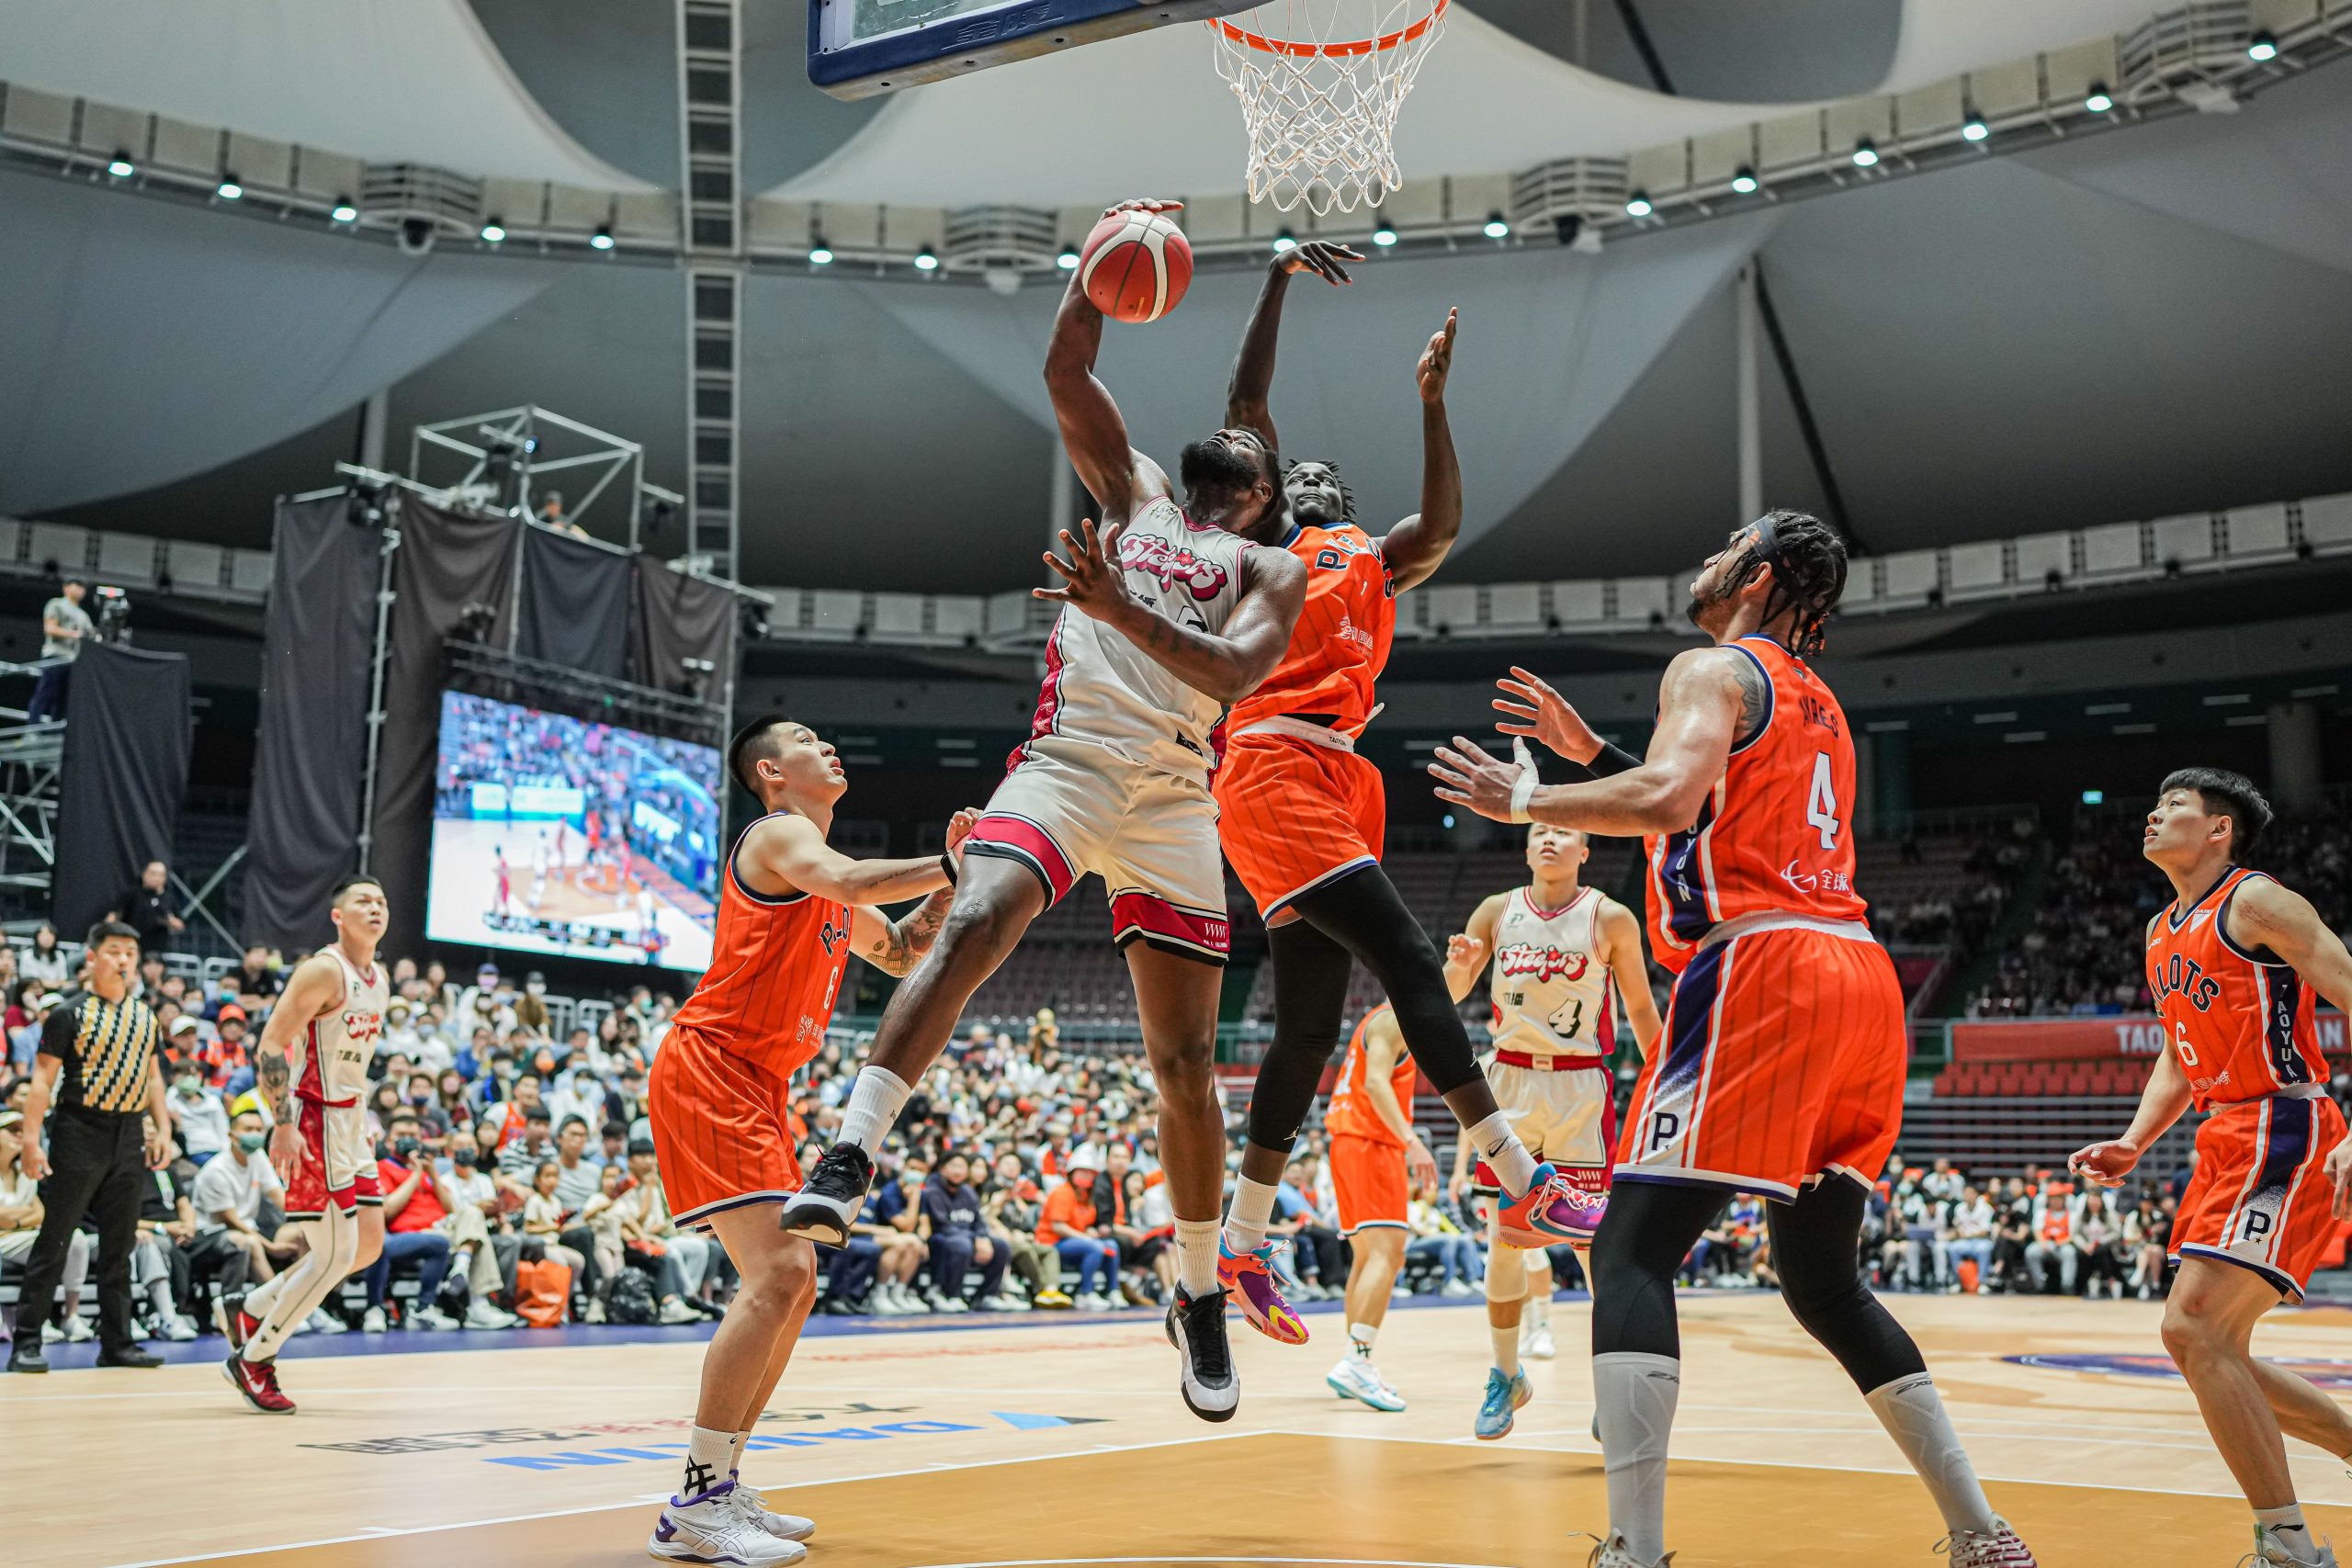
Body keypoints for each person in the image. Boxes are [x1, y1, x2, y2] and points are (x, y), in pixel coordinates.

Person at [783, 196, 1308, 1427]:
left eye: (1253, 442)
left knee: (1183, 1064)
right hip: (1071, 759)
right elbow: (1067, 361)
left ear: (1269, 485)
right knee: (977, 920)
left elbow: (1231, 676)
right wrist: (1103, 254)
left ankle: (1194, 1291)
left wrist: (1117, 610)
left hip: (1178, 793)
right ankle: (852, 1145)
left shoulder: (1271, 568)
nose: (1230, 442)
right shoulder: (1128, 490)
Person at [1429, 512, 2034, 1568]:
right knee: (1824, 1284)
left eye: (1723, 547)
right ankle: (1981, 1533)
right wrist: (1590, 755)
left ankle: (1633, 1549)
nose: (1702, 557)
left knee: (1629, 1250)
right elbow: (1714, 807)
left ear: (1753, 577)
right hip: (1858, 974)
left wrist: (1527, 791)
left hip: (1761, 967)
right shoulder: (1822, 705)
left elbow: (1668, 800)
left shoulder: (1709, 665)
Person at [1210, 243, 1596, 1363]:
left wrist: (1432, 405)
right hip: (1273, 762)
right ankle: (1517, 1177)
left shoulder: (1374, 558)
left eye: (1332, 478)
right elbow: (1245, 406)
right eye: (1297, 476)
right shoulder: (1269, 545)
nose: (1315, 480)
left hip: (1338, 775)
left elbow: (1443, 523)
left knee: (1310, 1026)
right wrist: (1277, 280)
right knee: (1414, 961)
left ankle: (1241, 1239)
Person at [644, 716, 969, 1567]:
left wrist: (946, 893)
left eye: (829, 736)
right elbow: (856, 879)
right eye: (805, 737)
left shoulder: (824, 884)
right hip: (713, 1064)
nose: (829, 744)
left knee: (795, 1282)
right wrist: (948, 861)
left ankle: (719, 1482)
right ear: (770, 771)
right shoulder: (782, 835)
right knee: (782, 1272)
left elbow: (898, 953)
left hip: (757, 1081)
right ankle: (696, 1503)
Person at [2071, 769, 2352, 1568]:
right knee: (2208, 1346)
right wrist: (2134, 1139)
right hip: (2222, 1132)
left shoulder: (2258, 901)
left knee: (2194, 1329)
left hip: (2283, 1120)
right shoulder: (2162, 929)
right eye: (2154, 805)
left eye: (2174, 808)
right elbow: (2175, 1051)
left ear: (2219, 829)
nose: (2153, 816)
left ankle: (2291, 1547)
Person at [1441, 820, 1660, 1439]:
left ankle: (1609, 1381)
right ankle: (1506, 1374)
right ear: (1526, 844)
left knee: (1594, 1245)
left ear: (1586, 851)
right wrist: (1457, 969)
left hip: (1579, 1090)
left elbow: (1641, 1008)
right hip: (1508, 1086)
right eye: (1539, 829)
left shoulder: (1611, 917)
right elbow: (1453, 991)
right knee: (1505, 1240)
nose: (1548, 839)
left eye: (1563, 831)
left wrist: (1663, 1080)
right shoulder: (1496, 910)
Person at [219, 875, 390, 1413]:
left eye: (382, 901)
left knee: (366, 1246)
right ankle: (255, 1356)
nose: (376, 907)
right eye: (363, 900)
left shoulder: (378, 977)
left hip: (351, 1119)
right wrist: (284, 1122)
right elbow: (272, 1042)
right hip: (312, 1118)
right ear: (337, 915)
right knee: (334, 1253)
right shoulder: (323, 970)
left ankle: (252, 1306)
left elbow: (349, 1061)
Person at [8, 919, 169, 1372]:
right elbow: (42, 1080)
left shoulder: (146, 1015)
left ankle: (116, 1342)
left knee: (119, 1244)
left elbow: (154, 1077)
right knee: (56, 1238)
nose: (124, 960)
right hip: (79, 1129)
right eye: (115, 951)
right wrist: (34, 1142)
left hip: (129, 1132)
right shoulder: (69, 1014)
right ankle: (26, 1342)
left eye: (131, 954)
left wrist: (165, 1131)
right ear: (93, 957)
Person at [1317, 1004, 1435, 1413]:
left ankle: (1357, 1361)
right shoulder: (1393, 1018)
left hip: (1348, 1141)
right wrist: (1411, 1141)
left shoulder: (1378, 1018)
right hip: (1372, 1141)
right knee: (1388, 1254)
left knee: (1366, 1258)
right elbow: (1375, 1083)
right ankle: (1357, 1359)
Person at [0, 1108, 95, 1348]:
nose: (19, 1136)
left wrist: (15, 1221)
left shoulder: (25, 1172)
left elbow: (40, 1213)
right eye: (12, 1131)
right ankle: (36, 1320)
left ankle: (70, 1315)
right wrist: (24, 1217)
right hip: (4, 1241)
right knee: (50, 1245)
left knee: (74, 1238)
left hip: (21, 1236)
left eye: (22, 1131)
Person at [27, 578, 92, 723]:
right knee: (45, 693)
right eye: (77, 585)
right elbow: (50, 628)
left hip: (73, 660)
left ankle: (55, 733)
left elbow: (90, 636)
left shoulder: (84, 616)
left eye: (83, 587)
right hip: (55, 655)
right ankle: (32, 730)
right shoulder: (56, 604)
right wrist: (74, 634)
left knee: (64, 698)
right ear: (66, 588)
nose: (80, 590)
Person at [113, 861, 187, 955]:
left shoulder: (169, 898)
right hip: (132, 945)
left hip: (158, 949)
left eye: (160, 875)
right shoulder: (133, 894)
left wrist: (168, 920)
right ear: (144, 874)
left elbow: (180, 925)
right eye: (153, 873)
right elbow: (116, 915)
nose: (156, 878)